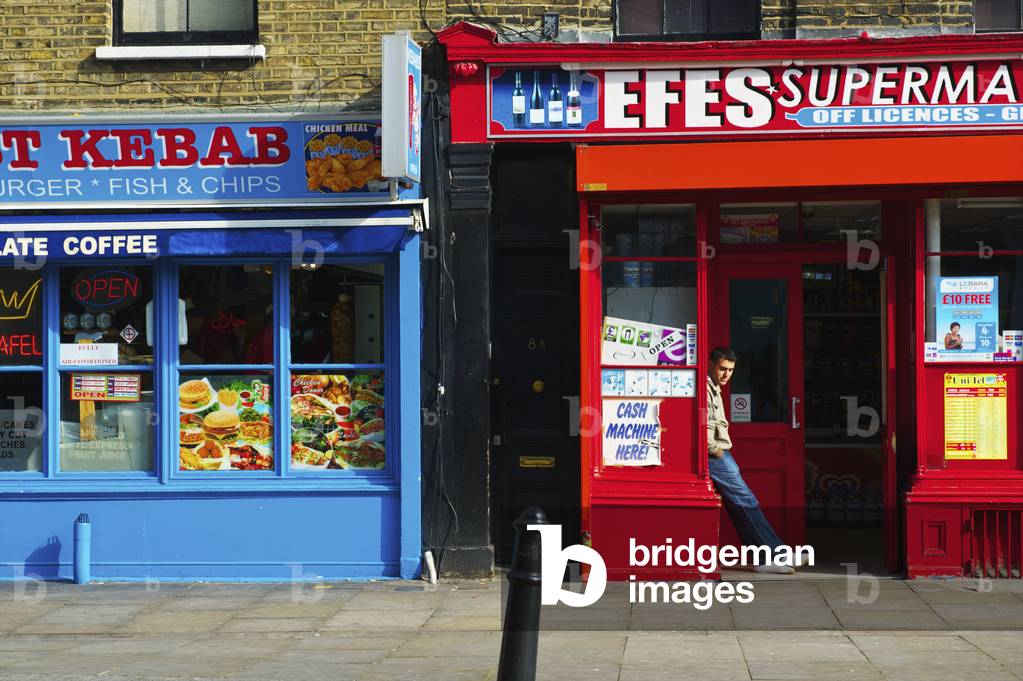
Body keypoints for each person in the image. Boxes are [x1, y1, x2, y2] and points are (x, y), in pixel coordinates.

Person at [706, 346, 799, 574]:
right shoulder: (705, 388)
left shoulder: (714, 387)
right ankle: (777, 554)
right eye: (722, 368)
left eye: (730, 370)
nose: (726, 374)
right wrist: (715, 450)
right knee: (747, 501)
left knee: (740, 505)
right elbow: (701, 423)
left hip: (721, 453)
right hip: (715, 455)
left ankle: (763, 559)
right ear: (711, 364)